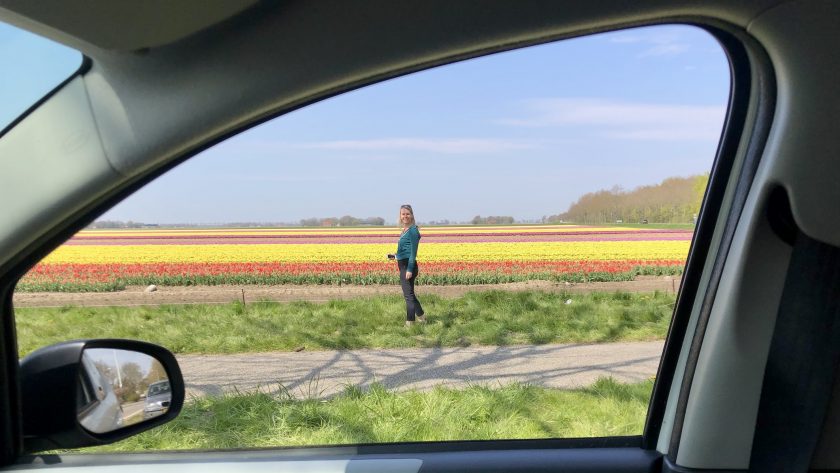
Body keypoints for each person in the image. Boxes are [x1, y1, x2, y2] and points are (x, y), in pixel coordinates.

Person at [391, 204, 425, 326]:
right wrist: (395, 256)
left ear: (412, 215)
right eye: (403, 214)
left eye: (407, 214)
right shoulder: (404, 230)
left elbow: (413, 253)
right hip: (403, 264)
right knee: (410, 294)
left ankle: (410, 323)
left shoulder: (413, 231)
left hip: (408, 266)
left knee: (408, 296)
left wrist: (409, 269)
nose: (405, 216)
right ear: (400, 216)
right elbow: (405, 250)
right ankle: (422, 316)